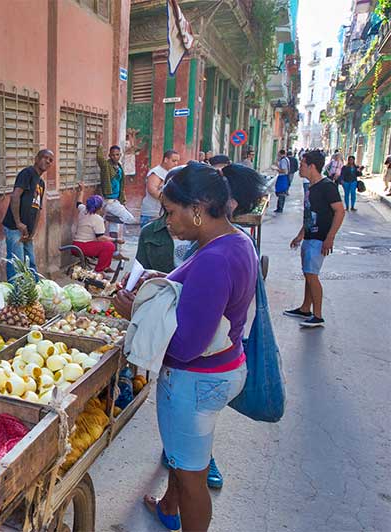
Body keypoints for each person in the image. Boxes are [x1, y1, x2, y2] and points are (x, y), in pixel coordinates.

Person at [113, 162, 258, 532]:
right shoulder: (234, 240)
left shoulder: (213, 258)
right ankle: (167, 506)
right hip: (224, 366)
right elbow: (205, 296)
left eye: (171, 212)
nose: (167, 221)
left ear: (197, 209)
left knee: (193, 479)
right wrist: (165, 278)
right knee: (183, 458)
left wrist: (136, 314)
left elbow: (185, 345)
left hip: (196, 380)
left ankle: (181, 510)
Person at [284, 150, 345, 328]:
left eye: (302, 165)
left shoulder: (328, 186)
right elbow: (311, 215)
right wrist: (300, 234)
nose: (299, 168)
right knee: (308, 273)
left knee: (312, 275)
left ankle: (317, 315)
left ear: (312, 166)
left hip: (320, 237)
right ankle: (305, 308)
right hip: (310, 235)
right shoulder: (311, 187)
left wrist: (330, 237)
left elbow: (340, 211)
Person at [2, 149, 54, 281]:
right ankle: (15, 295)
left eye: (50, 160)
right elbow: (15, 197)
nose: (47, 161)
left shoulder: (41, 183)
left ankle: (34, 292)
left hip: (27, 232)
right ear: (36, 159)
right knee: (16, 264)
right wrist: (18, 223)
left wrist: (33, 232)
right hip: (15, 227)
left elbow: (38, 209)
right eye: (44, 157)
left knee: (31, 263)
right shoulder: (27, 174)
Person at [72, 184, 120, 273]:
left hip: (76, 244)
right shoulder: (97, 219)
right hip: (83, 245)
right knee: (109, 246)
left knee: (107, 244)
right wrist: (116, 239)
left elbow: (79, 203)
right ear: (99, 208)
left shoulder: (83, 210)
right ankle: (99, 270)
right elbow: (100, 238)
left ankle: (105, 266)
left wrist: (81, 191)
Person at [96, 133, 135, 243]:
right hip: (110, 201)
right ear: (109, 155)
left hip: (117, 200)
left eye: (117, 155)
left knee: (113, 227)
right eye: (113, 155)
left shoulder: (120, 167)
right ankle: (107, 217)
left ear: (120, 155)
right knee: (130, 219)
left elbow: (121, 184)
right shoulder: (106, 166)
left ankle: (115, 250)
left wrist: (122, 200)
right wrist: (99, 144)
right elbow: (99, 158)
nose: (115, 157)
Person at [140, 150, 180, 227]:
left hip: (161, 213)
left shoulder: (169, 173)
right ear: (165, 160)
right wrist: (169, 201)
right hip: (152, 213)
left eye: (177, 161)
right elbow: (152, 190)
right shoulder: (156, 172)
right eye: (174, 161)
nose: (176, 164)